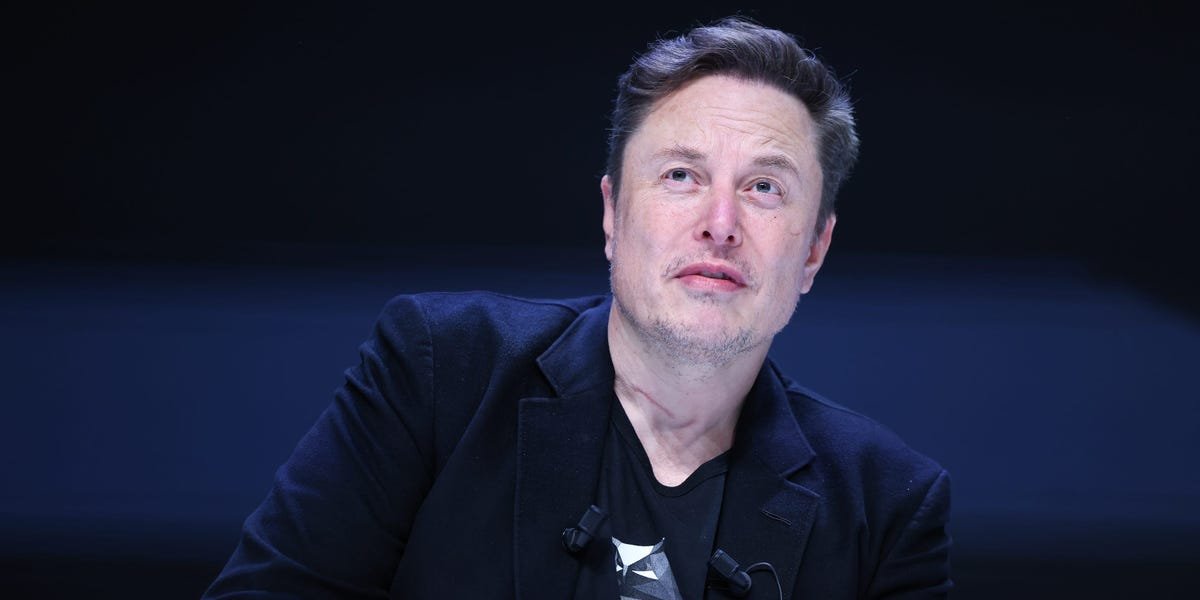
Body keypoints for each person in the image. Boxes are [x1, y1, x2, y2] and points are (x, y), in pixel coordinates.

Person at [204, 15, 952, 599]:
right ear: (612, 214)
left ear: (814, 251)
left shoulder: (886, 504)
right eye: (682, 175)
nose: (721, 223)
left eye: (764, 188)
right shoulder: (440, 372)